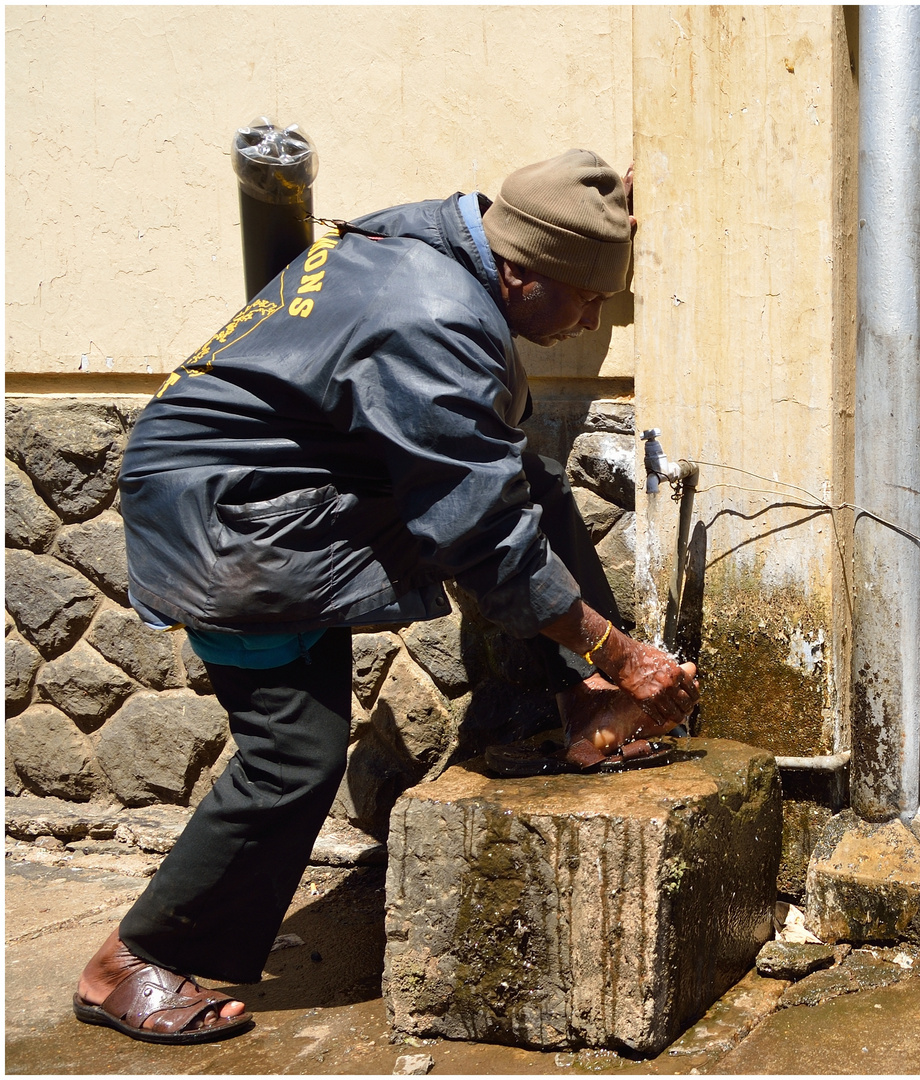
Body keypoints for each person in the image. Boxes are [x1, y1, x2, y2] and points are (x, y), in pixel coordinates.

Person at [75, 150, 699, 1044]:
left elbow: (490, 495)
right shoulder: (435, 317)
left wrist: (603, 203)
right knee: (294, 750)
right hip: (231, 518)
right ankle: (125, 963)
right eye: (588, 300)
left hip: (284, 485)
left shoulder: (438, 238)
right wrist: (622, 649)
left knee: (527, 481)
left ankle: (584, 704)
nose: (592, 320)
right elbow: (481, 535)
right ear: (519, 276)